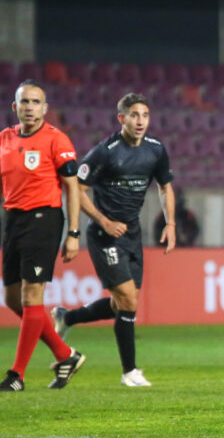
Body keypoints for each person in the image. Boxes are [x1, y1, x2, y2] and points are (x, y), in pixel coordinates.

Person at [51, 92, 175, 387]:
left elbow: (165, 186)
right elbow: (76, 189)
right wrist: (104, 221)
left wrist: (170, 223)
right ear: (121, 118)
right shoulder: (104, 152)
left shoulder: (156, 150)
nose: (140, 120)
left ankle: (67, 318)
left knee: (123, 305)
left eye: (144, 115)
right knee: (129, 300)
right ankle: (129, 372)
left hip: (132, 234)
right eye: (134, 115)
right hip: (105, 235)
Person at [0, 80, 86, 391]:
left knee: (31, 297)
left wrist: (74, 232)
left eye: (36, 102)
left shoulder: (55, 139)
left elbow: (72, 187)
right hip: (13, 221)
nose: (30, 108)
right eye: (25, 102)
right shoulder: (4, 140)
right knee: (13, 299)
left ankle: (16, 375)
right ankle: (66, 355)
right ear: (15, 107)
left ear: (45, 109)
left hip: (44, 219)